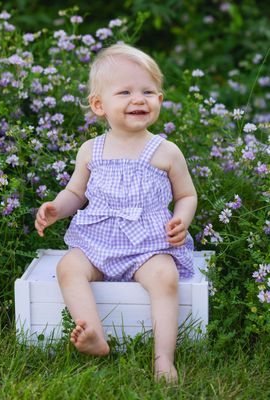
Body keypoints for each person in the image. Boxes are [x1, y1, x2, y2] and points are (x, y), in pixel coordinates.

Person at [35, 43, 197, 384]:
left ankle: (164, 359)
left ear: (159, 101)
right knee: (69, 267)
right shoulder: (90, 150)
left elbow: (186, 194)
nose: (138, 99)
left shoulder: (166, 151)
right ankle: (92, 332)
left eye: (148, 92)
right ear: (99, 105)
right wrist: (56, 208)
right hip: (99, 240)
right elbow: (76, 193)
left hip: (148, 244)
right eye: (125, 92)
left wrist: (183, 218)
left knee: (165, 277)